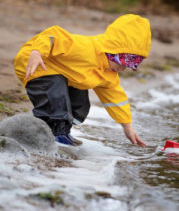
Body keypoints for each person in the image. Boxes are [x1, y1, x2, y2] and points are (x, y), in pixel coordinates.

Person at [14, 14, 151, 146]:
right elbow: (52, 36)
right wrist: (37, 52)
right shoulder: (85, 48)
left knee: (80, 106)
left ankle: (62, 130)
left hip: (64, 74)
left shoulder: (108, 73)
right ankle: (55, 133)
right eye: (122, 64)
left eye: (128, 66)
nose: (122, 69)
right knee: (55, 100)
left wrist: (127, 127)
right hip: (37, 63)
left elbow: (116, 99)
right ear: (112, 53)